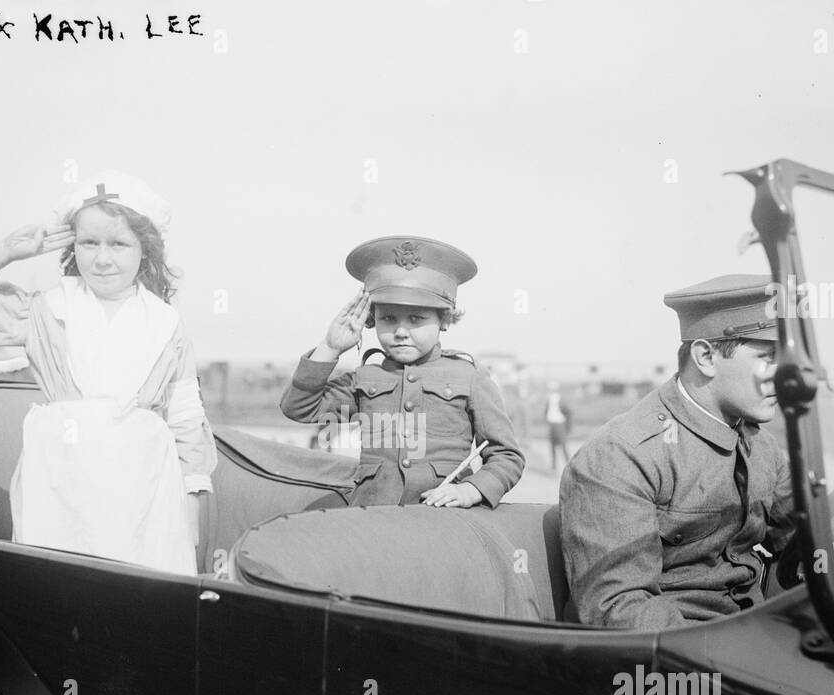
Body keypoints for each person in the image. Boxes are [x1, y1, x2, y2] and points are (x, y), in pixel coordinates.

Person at [0, 170, 216, 574]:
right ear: (72, 247)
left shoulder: (166, 323)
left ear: (145, 249)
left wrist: (189, 508)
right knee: (57, 590)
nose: (102, 258)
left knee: (140, 597)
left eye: (119, 244)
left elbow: (186, 418)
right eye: (89, 243)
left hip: (145, 489)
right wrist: (4, 253)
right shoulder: (46, 309)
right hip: (59, 482)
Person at [559, 274, 795, 630]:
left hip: (757, 633)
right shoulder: (622, 456)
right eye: (768, 357)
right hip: (677, 663)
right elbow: (618, 609)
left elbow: (805, 538)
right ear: (705, 356)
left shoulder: (761, 445)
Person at [280, 236, 524, 508]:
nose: (400, 332)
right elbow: (299, 408)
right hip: (370, 520)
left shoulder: (469, 377)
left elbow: (507, 456)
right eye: (388, 318)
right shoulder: (364, 379)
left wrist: (471, 490)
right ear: (371, 319)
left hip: (445, 522)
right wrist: (330, 348)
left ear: (444, 319)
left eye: (416, 319)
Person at [544, 380, 572, 471]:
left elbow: (568, 412)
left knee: (563, 445)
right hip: (552, 424)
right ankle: (553, 467)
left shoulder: (560, 399)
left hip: (560, 423)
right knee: (552, 446)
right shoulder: (548, 399)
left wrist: (568, 427)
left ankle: (569, 465)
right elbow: (546, 411)